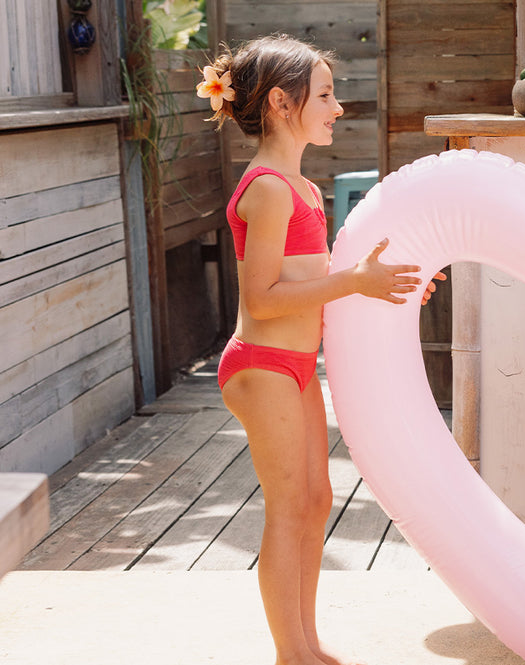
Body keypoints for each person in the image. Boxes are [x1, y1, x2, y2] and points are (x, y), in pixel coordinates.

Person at [198, 34, 437, 665]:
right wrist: (358, 281)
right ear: (282, 102)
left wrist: (392, 282)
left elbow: (313, 279)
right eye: (325, 95)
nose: (337, 107)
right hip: (261, 364)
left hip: (297, 367)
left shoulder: (301, 186)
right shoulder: (269, 188)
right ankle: (291, 654)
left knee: (314, 501)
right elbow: (265, 300)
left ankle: (305, 644)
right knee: (287, 505)